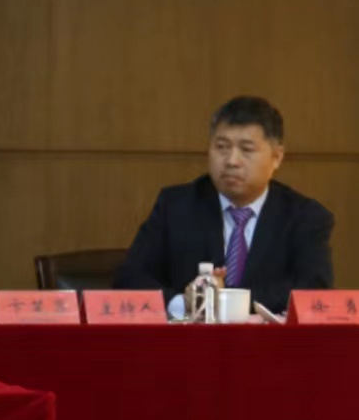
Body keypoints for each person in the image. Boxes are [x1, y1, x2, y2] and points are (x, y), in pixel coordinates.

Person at [117, 95, 333, 319]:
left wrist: (226, 301)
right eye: (222, 147)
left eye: (246, 150)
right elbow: (130, 278)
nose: (231, 161)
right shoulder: (176, 206)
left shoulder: (305, 216)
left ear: (277, 157)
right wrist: (183, 303)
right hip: (189, 338)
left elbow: (314, 289)